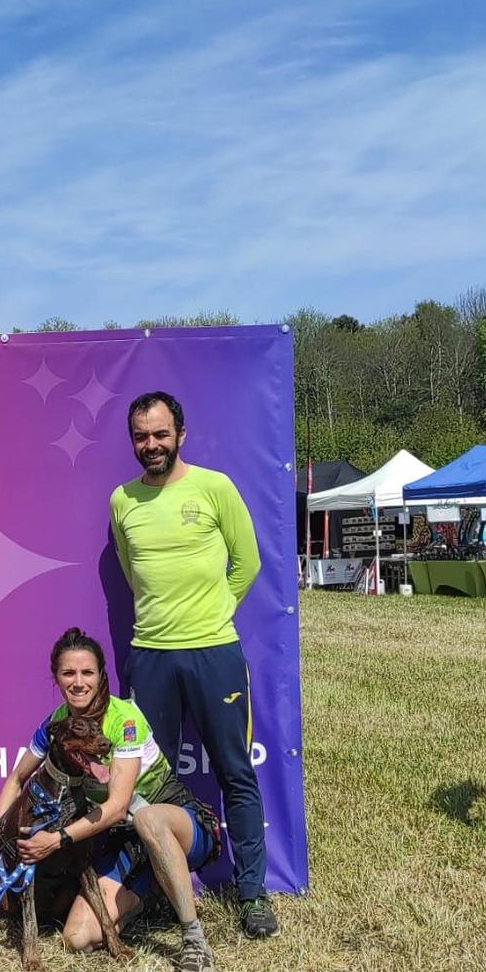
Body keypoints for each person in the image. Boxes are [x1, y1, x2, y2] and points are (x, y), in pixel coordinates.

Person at [109, 390, 277, 939]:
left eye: (160, 434)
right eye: (141, 436)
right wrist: (165, 623)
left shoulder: (214, 487)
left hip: (214, 653)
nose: (151, 445)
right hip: (151, 656)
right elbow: (135, 574)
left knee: (234, 770)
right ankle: (158, 888)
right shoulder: (123, 501)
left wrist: (212, 614)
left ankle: (252, 894)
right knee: (148, 779)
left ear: (181, 434)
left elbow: (247, 562)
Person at [0, 627, 220, 972]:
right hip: (128, 846)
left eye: (87, 673)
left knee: (147, 818)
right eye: (68, 673)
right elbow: (17, 780)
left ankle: (193, 939)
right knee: (77, 938)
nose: (78, 682)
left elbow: (116, 808)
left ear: (101, 676)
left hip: (176, 823)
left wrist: (57, 839)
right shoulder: (55, 725)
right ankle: (154, 890)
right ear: (56, 678)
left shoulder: (124, 719)